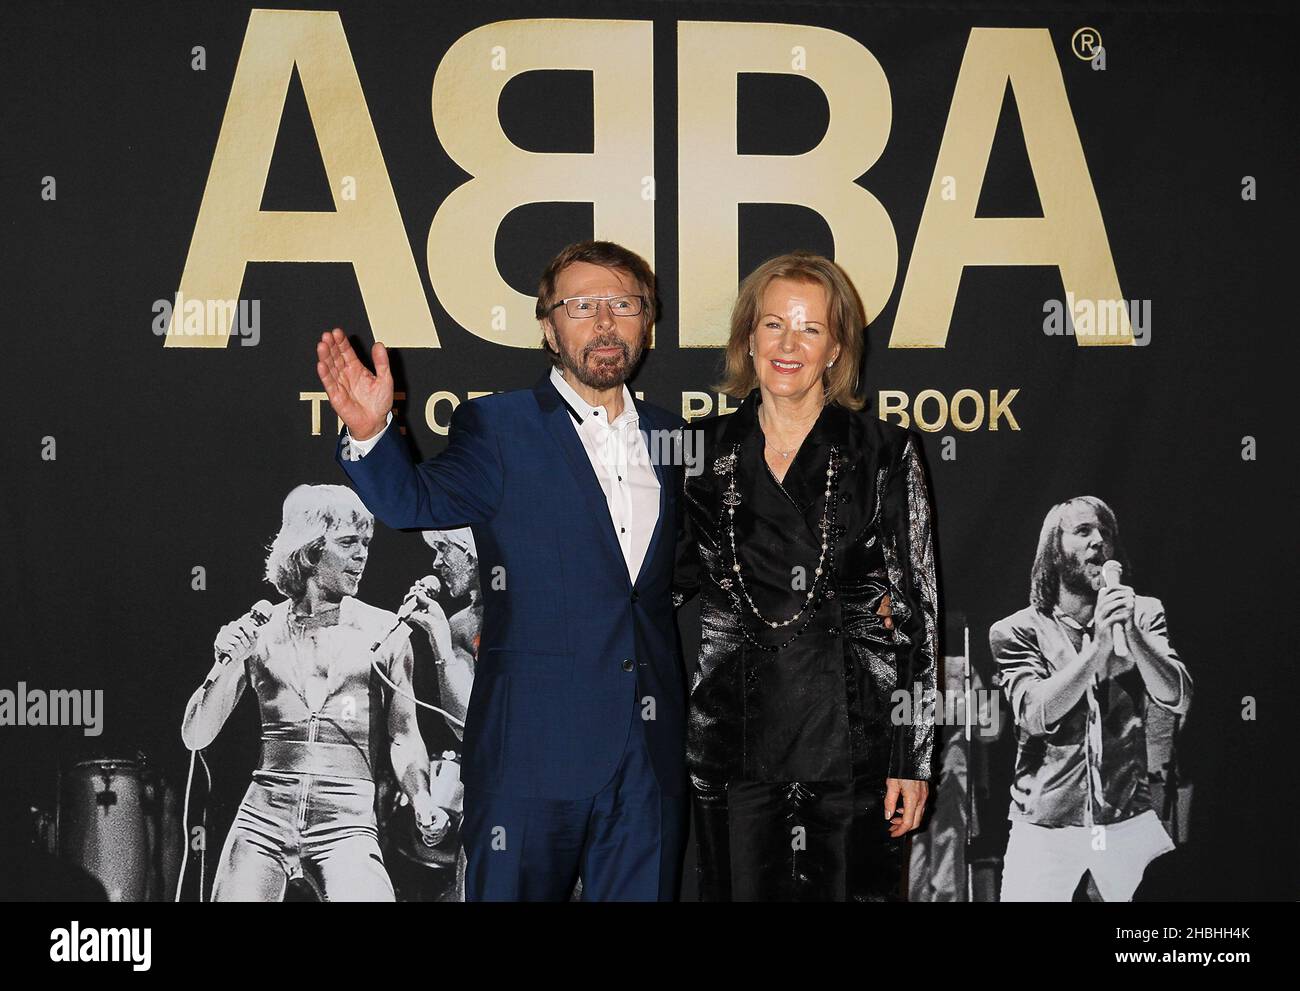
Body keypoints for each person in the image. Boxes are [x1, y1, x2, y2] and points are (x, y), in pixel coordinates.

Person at [315, 240, 688, 901]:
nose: (604, 321)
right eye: (580, 305)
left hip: (646, 764)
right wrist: (374, 436)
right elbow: (414, 501)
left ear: (647, 320)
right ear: (548, 326)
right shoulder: (500, 425)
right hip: (528, 759)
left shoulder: (671, 435)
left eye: (623, 304)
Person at [675, 251, 939, 901]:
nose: (788, 344)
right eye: (772, 325)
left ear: (837, 347)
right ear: (747, 338)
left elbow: (918, 609)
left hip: (853, 744)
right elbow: (657, 581)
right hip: (733, 744)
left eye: (810, 328)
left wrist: (913, 757)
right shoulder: (697, 451)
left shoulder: (884, 450)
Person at [181, 484, 450, 901]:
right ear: (309, 550)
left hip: (346, 824)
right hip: (264, 818)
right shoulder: (260, 629)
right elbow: (195, 735)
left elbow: (403, 734)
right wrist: (229, 661)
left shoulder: (386, 633)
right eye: (347, 543)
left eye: (366, 543)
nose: (362, 554)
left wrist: (421, 798)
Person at [990, 496, 1193, 901]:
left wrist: (1131, 633)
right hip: (1045, 824)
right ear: (1054, 549)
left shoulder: (1145, 612)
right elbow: (1034, 712)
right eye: (1083, 531)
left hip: (1126, 815)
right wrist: (1097, 650)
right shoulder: (1016, 630)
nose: (1098, 541)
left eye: (1105, 534)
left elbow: (1178, 696)